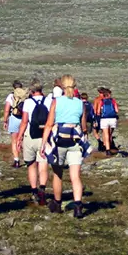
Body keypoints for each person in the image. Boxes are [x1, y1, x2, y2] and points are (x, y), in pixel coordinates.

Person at [40, 74, 90, 218]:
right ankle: (78, 206)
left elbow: (49, 124)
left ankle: (57, 202)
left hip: (59, 139)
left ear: (62, 86)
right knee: (75, 176)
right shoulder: (80, 103)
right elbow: (83, 125)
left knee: (58, 173)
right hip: (75, 139)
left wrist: (44, 143)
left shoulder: (56, 101)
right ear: (75, 86)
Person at [14, 79, 52, 205]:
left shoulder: (28, 102)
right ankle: (42, 188)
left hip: (30, 135)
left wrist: (19, 137)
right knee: (43, 164)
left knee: (31, 165)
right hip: (45, 136)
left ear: (31, 90)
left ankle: (34, 191)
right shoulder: (49, 101)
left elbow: (24, 121)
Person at [3, 80, 29, 168]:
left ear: (13, 87)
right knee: (23, 139)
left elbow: (7, 109)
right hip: (24, 119)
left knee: (14, 141)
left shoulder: (11, 96)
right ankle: (27, 159)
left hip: (14, 119)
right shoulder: (25, 95)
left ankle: (17, 160)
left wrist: (5, 120)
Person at [93, 87, 120, 155]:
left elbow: (98, 112)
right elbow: (117, 110)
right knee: (110, 133)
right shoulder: (113, 100)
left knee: (106, 134)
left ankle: (107, 150)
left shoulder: (100, 100)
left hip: (104, 119)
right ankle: (111, 146)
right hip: (113, 119)